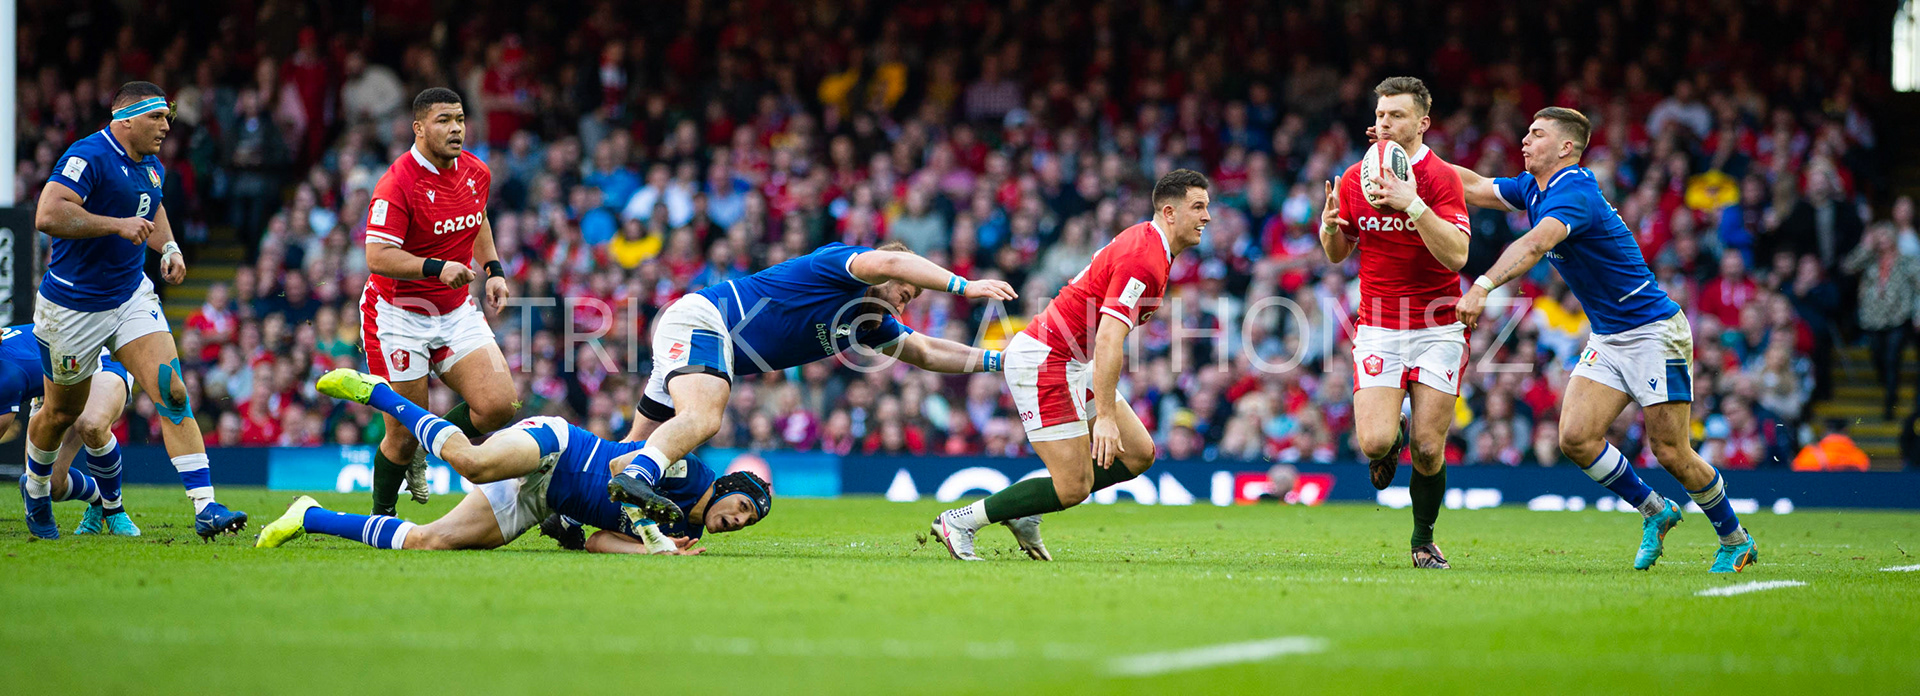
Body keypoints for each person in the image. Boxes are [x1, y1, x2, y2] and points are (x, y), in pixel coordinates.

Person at [1454, 106, 1759, 573]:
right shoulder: (1534, 187)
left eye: (1536, 135)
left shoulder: (1574, 190)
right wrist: (1409, 156)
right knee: (1575, 437)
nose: (1524, 141)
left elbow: (1535, 245)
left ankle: (1735, 538)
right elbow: (1475, 186)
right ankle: (1655, 510)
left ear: (1566, 148)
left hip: (1654, 332)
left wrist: (1482, 285)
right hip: (1611, 335)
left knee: (1671, 451)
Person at [929, 169, 1210, 561]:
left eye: (1206, 208)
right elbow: (1110, 337)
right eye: (1198, 207)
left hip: (1071, 360)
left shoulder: (1150, 244)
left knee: (1139, 452)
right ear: (1169, 212)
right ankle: (961, 521)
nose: (1206, 217)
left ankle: (1026, 512)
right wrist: (1106, 417)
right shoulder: (1144, 259)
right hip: (1047, 361)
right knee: (1073, 486)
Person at [618, 241, 1015, 517]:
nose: (902, 305)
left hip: (700, 333)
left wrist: (1001, 361)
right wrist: (967, 286)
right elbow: (894, 263)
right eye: (905, 294)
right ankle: (640, 476)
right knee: (704, 418)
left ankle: (574, 508)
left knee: (636, 440)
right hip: (707, 321)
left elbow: (928, 352)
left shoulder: (869, 323)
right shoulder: (839, 266)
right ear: (883, 273)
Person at [27, 81, 246, 540]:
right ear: (126, 119)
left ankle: (206, 508)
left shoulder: (150, 165)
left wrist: (167, 246)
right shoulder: (88, 155)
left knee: (174, 393)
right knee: (60, 414)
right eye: (157, 117)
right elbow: (47, 214)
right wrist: (116, 225)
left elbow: (153, 204)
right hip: (71, 307)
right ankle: (37, 488)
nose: (167, 126)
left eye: (168, 117)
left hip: (129, 297)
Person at [259, 369, 769, 553]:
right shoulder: (690, 470)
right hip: (559, 447)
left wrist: (656, 553)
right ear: (728, 486)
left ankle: (308, 515)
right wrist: (657, 538)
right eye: (744, 506)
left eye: (747, 522)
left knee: (429, 541)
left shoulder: (691, 535)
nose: (738, 521)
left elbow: (599, 542)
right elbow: (621, 473)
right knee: (473, 462)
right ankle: (380, 393)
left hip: (543, 498)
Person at [1321, 77, 1471, 569]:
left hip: (1438, 325)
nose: (1385, 123)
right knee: (1376, 443)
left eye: (1397, 115)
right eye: (1381, 114)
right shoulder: (1353, 177)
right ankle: (1394, 433)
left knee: (1429, 450)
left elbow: (1457, 256)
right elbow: (1339, 254)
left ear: (1423, 123)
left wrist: (1413, 203)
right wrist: (1328, 231)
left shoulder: (1441, 178)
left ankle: (1423, 540)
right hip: (1380, 325)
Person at [360, 88, 518, 516]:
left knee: (500, 405)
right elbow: (376, 255)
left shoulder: (475, 172)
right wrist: (436, 268)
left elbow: (478, 216)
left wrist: (494, 269)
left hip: (453, 310)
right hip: (396, 315)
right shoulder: (397, 182)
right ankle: (382, 517)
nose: (456, 129)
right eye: (444, 120)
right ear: (419, 128)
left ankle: (426, 448)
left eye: (461, 119)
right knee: (402, 433)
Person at [1, 325, 140, 537]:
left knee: (91, 424)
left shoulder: (6, 376)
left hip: (96, 356)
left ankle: (114, 508)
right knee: (51, 485)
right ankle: (99, 498)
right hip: (54, 385)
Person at [1840, 223, 1920, 421]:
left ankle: (1889, 403)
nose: (1882, 239)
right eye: (1879, 235)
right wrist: (1865, 246)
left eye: (1885, 234)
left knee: (1893, 358)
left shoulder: (1907, 261)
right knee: (1877, 356)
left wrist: (1918, 312)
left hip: (1898, 317)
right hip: (1873, 319)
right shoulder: (1869, 260)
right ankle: (1888, 387)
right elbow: (1848, 266)